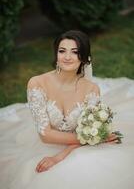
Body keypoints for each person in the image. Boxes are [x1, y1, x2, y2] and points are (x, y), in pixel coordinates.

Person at [0, 30, 134, 189]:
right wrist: (96, 138)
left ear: (84, 57)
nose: (67, 57)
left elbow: (86, 130)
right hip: (47, 145)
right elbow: (45, 135)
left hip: (76, 147)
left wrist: (59, 157)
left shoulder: (91, 89)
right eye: (62, 51)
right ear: (56, 54)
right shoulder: (37, 83)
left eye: (75, 52)